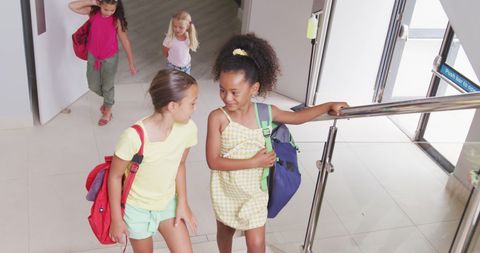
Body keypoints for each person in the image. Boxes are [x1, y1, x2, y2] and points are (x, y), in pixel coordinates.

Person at [206, 33, 348, 253]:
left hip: (255, 192)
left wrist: (328, 104)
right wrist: (253, 162)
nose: (227, 98)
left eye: (234, 92)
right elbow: (213, 161)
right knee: (225, 233)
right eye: (222, 90)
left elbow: (298, 118)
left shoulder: (265, 113)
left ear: (254, 89)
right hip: (226, 190)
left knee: (256, 244)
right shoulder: (217, 118)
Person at [108, 69, 199, 253]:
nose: (195, 108)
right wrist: (117, 220)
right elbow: (115, 177)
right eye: (192, 103)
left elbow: (180, 164)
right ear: (172, 106)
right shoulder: (133, 137)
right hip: (137, 209)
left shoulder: (188, 129)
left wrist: (182, 202)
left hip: (167, 203)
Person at [69, 0, 137, 126]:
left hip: (110, 58)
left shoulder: (116, 20)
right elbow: (72, 6)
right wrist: (94, 2)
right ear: (100, 5)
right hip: (93, 56)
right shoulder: (93, 13)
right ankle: (108, 99)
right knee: (93, 85)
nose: (109, 13)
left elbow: (125, 41)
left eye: (112, 10)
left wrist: (131, 63)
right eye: (106, 9)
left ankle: (108, 110)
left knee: (108, 86)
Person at [162, 10, 199, 74]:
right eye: (175, 26)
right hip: (173, 67)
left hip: (186, 67)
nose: (177, 29)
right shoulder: (170, 39)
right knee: (173, 83)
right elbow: (165, 52)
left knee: (185, 83)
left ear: (187, 27)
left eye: (181, 27)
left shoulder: (188, 37)